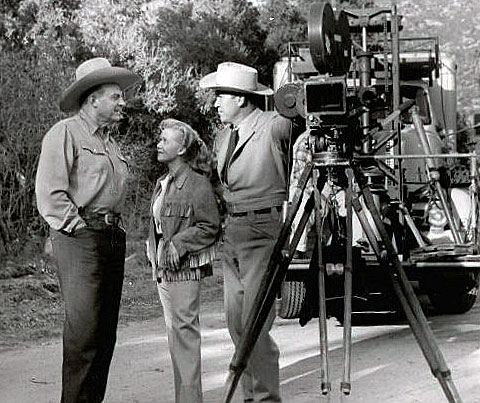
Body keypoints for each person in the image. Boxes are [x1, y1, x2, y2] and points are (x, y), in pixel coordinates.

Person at [35, 57, 140, 403]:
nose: (123, 102)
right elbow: (51, 193)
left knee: (104, 333)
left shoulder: (110, 143)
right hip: (81, 236)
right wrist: (77, 228)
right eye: (115, 96)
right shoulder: (64, 133)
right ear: (93, 98)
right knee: (84, 334)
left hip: (111, 237)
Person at [200, 62, 293, 402]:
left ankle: (266, 399)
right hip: (234, 230)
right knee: (236, 324)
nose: (215, 103)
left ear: (241, 99)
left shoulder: (271, 125)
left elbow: (292, 121)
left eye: (220, 96)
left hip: (262, 228)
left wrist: (293, 98)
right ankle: (251, 396)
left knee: (255, 322)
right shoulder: (225, 134)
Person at [145, 119, 220, 403]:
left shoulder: (197, 184)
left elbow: (210, 226)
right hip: (163, 269)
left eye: (165, 140)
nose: (159, 143)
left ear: (182, 148)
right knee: (175, 337)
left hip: (185, 270)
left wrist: (179, 242)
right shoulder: (162, 182)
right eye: (160, 138)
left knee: (185, 337)